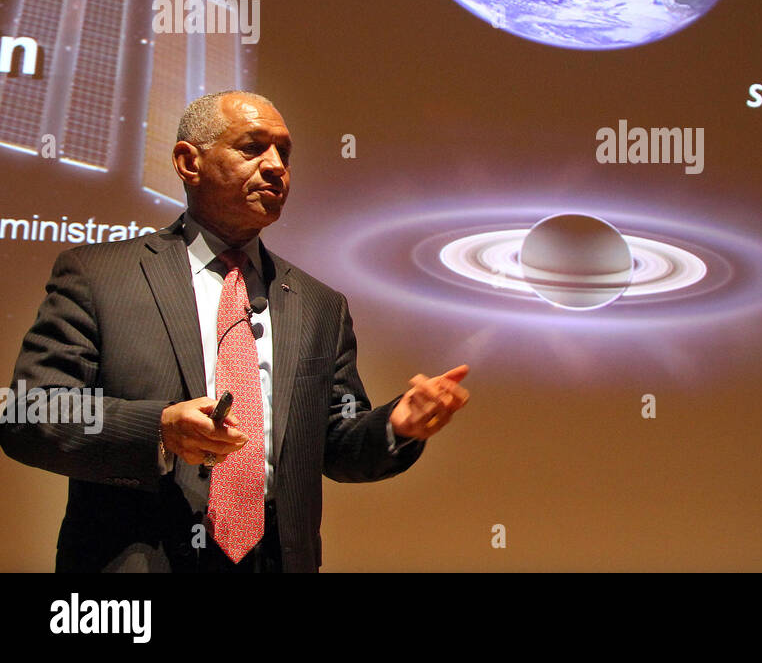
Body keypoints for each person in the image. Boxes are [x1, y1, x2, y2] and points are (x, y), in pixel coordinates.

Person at [0, 90, 469, 572]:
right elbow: (30, 414)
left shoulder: (318, 305)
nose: (275, 168)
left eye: (284, 153)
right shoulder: (99, 275)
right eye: (253, 148)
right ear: (189, 162)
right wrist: (159, 430)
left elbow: (336, 442)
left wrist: (398, 425)